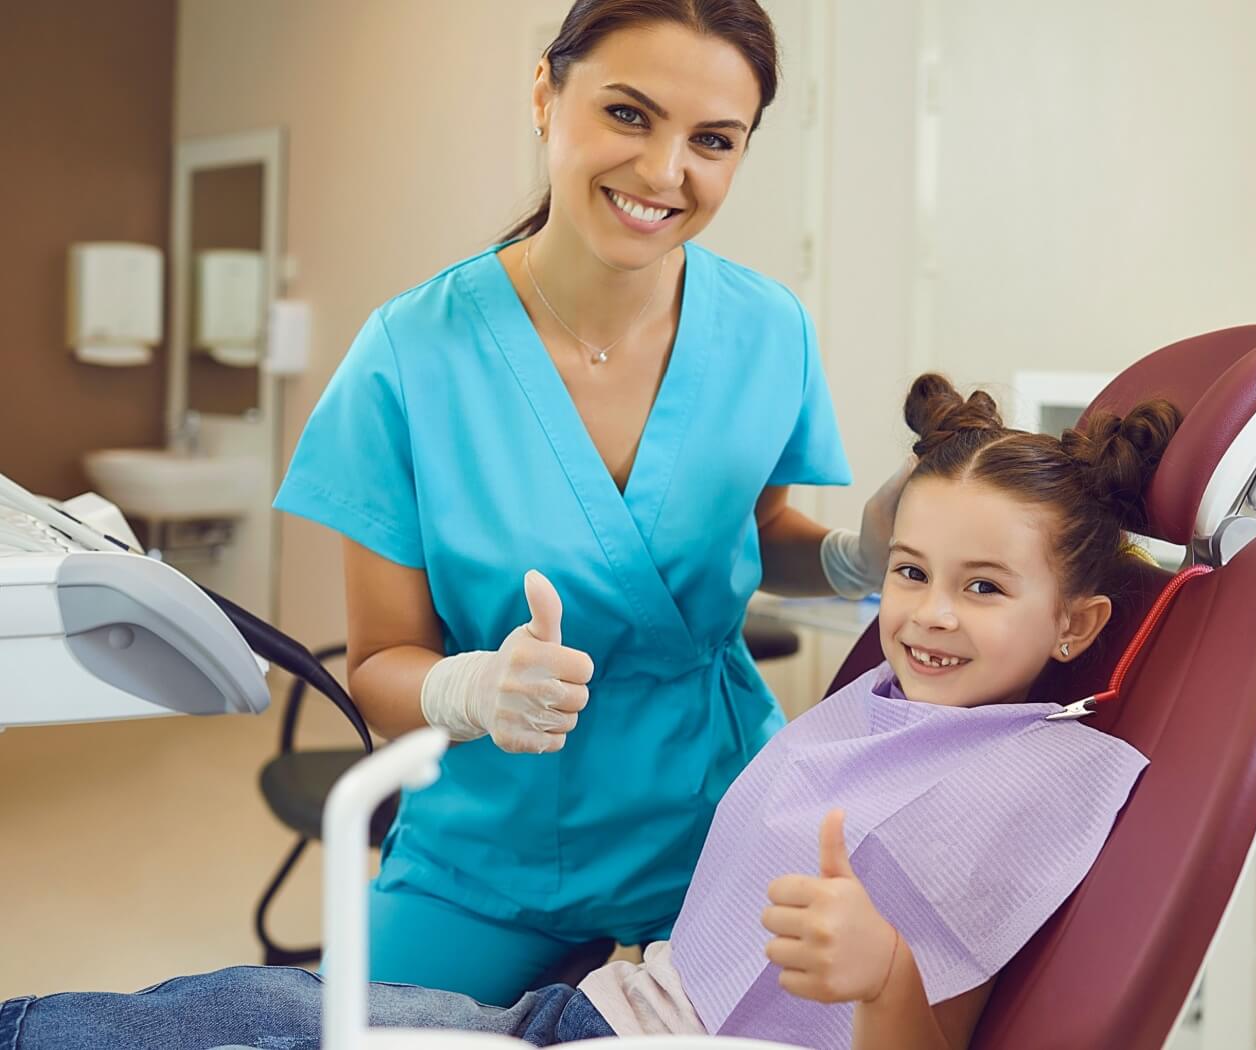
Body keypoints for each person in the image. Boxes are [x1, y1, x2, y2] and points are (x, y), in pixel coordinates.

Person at [3, 375, 1182, 1049]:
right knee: (268, 1003)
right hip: (599, 1005)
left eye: (984, 587)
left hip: (619, 1033)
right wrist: (469, 686)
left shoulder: (1019, 780)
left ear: (1076, 623)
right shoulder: (884, 699)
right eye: (912, 571)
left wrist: (882, 976)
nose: (926, 613)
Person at [268, 0, 911, 1005]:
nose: (664, 173)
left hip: (716, 816)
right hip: (489, 847)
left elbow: (756, 536)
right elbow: (380, 665)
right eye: (627, 115)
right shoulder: (408, 357)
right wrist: (471, 692)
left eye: (711, 140)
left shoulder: (767, 330)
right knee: (350, 1028)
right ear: (544, 93)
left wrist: (853, 561)